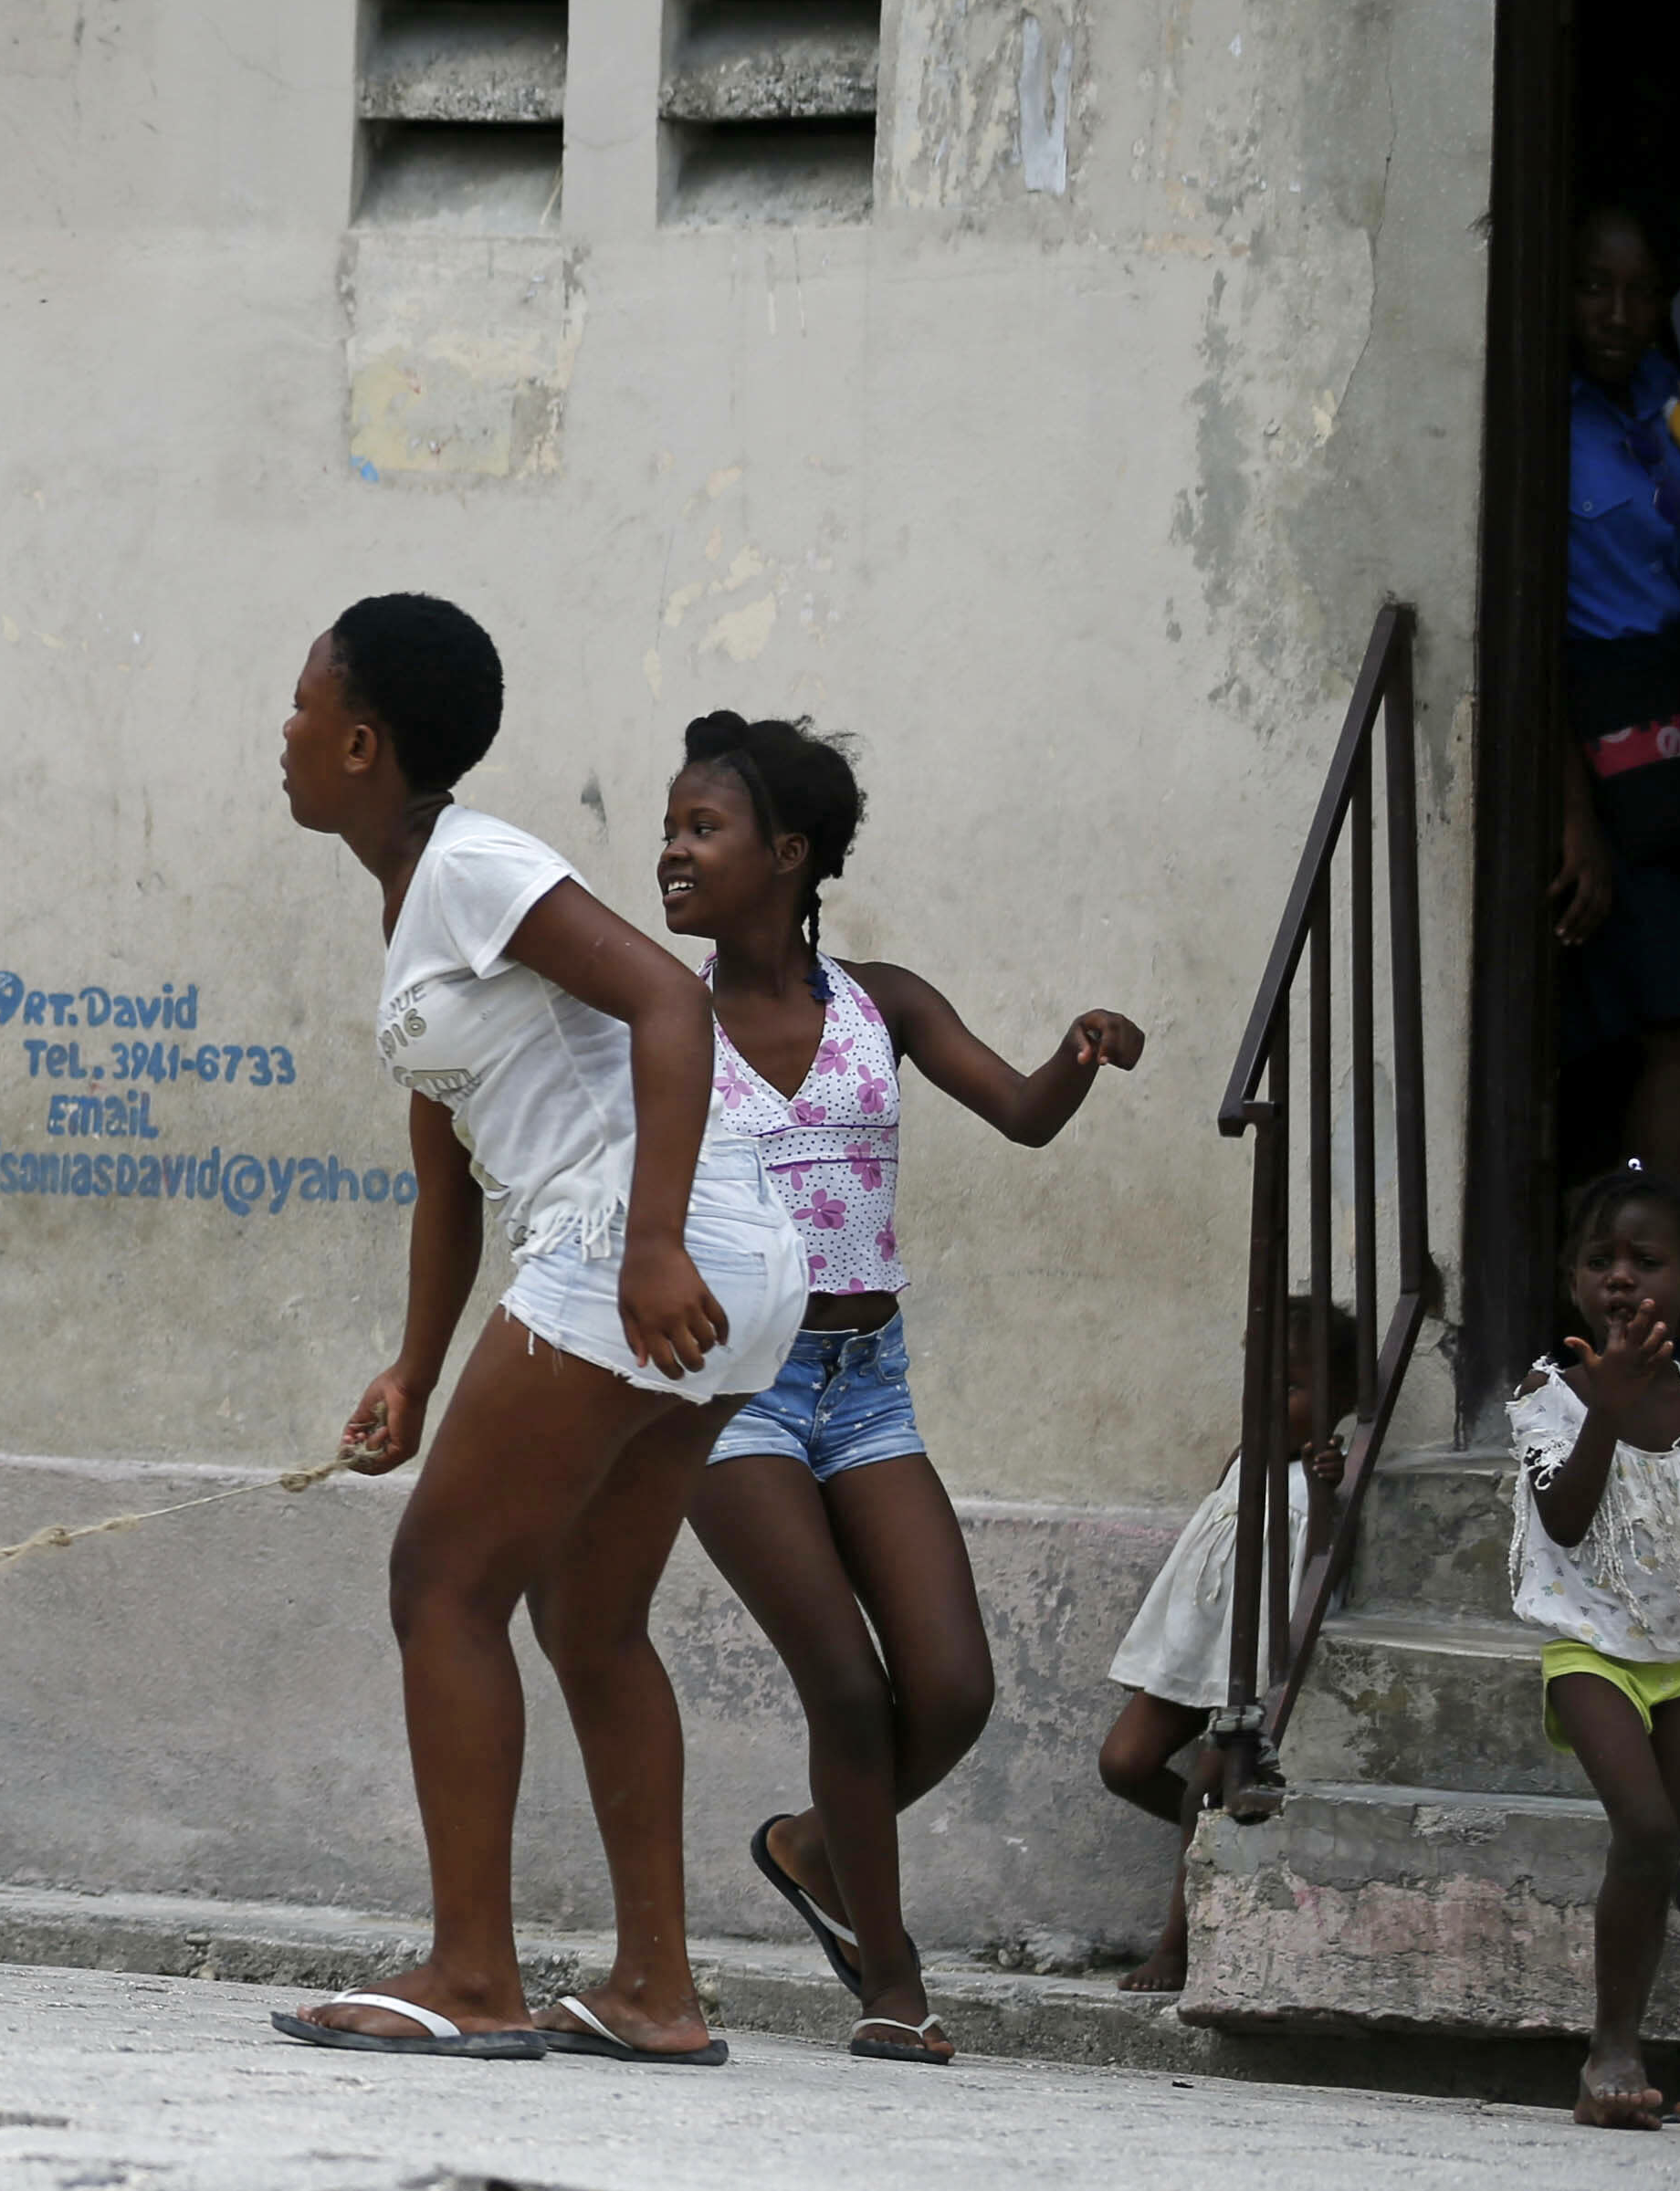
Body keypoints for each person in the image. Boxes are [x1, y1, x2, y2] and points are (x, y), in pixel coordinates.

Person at [278, 595, 807, 2066]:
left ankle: (470, 1975)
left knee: (441, 1583)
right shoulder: (419, 908)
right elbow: (444, 1164)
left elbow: (666, 1004)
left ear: (365, 743)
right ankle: (654, 1993)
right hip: (721, 1254)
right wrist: (415, 1365)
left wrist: (643, 1245)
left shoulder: (476, 864)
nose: (288, 732)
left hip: (638, 1247)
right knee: (587, 1616)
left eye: (304, 708)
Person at [658, 711, 1145, 2066]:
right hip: (735, 1392)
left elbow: (1024, 1112)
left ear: (790, 854)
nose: (673, 851)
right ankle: (892, 1972)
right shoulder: (664, 1011)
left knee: (954, 1686)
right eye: (671, 827)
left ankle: (814, 1849)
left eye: (704, 828)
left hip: (867, 1386)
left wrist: (1082, 1051)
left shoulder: (887, 1003)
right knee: (849, 1691)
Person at [1503, 1164, 1680, 2129]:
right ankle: (1611, 2049)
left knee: (1664, 1849)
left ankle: (1623, 2042)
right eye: (1601, 1260)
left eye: (1647, 1260)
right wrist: (1606, 1407)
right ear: (1572, 1281)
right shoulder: (1553, 1391)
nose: (1622, 1277)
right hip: (1590, 1645)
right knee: (1650, 1828)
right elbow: (1566, 1515)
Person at [1099, 1293, 1348, 1996]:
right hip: (1200, 1644)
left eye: (1294, 1388)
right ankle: (1219, 1835)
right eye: (1263, 1383)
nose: (1272, 1401)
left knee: (1204, 1789)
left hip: (1256, 1663)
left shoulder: (1332, 1471)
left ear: (1342, 1396)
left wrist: (1332, 1480)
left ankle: (1177, 1948)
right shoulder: (1248, 1456)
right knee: (1124, 1762)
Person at [1559, 206, 1680, 1182]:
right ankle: (1642, 1295)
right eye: (1594, 286)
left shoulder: (1663, 395)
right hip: (1595, 721)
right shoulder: (1539, 415)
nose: (1618, 312)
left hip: (1674, 709)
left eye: (1639, 291)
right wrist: (1571, 812)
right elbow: (1525, 639)